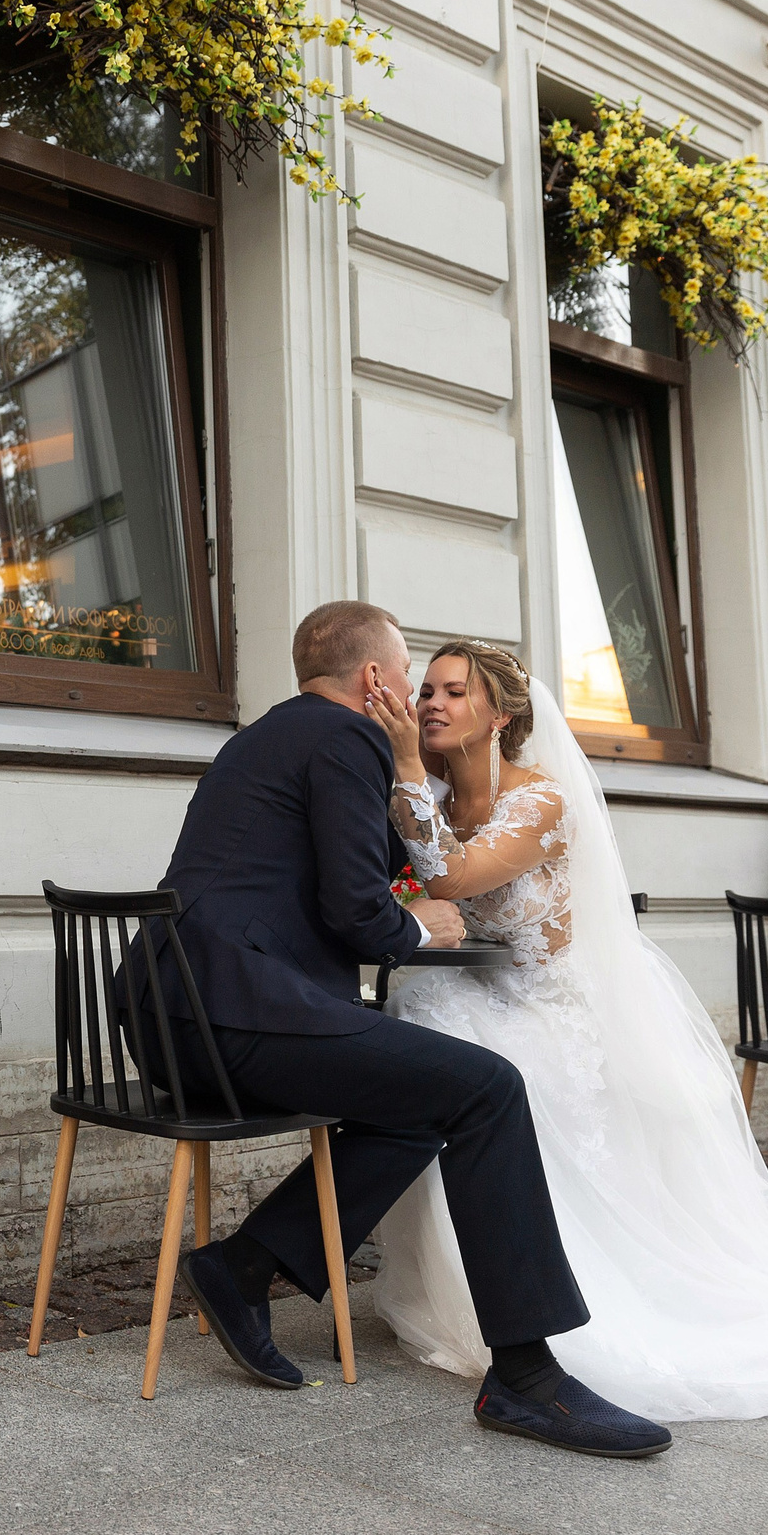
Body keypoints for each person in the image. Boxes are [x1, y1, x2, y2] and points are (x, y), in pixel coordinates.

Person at [368, 638, 768, 1421]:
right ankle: (471, 1291)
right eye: (426, 689)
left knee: (463, 1055)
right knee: (429, 1023)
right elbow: (416, 878)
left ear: (499, 715)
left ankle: (537, 1308)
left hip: (555, 1008)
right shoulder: (436, 793)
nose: (429, 703)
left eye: (452, 692)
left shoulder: (539, 801)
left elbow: (452, 877)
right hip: (486, 989)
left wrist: (404, 767)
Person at [150, 600, 671, 1458]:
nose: (421, 701)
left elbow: (358, 874)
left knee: (421, 1105)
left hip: (176, 1018)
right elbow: (361, 910)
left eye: (449, 690)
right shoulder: (347, 738)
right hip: (237, 1017)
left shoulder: (268, 735)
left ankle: (242, 1266)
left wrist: (417, 868)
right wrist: (424, 925)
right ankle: (527, 1380)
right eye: (412, 680)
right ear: (375, 680)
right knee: (489, 1087)